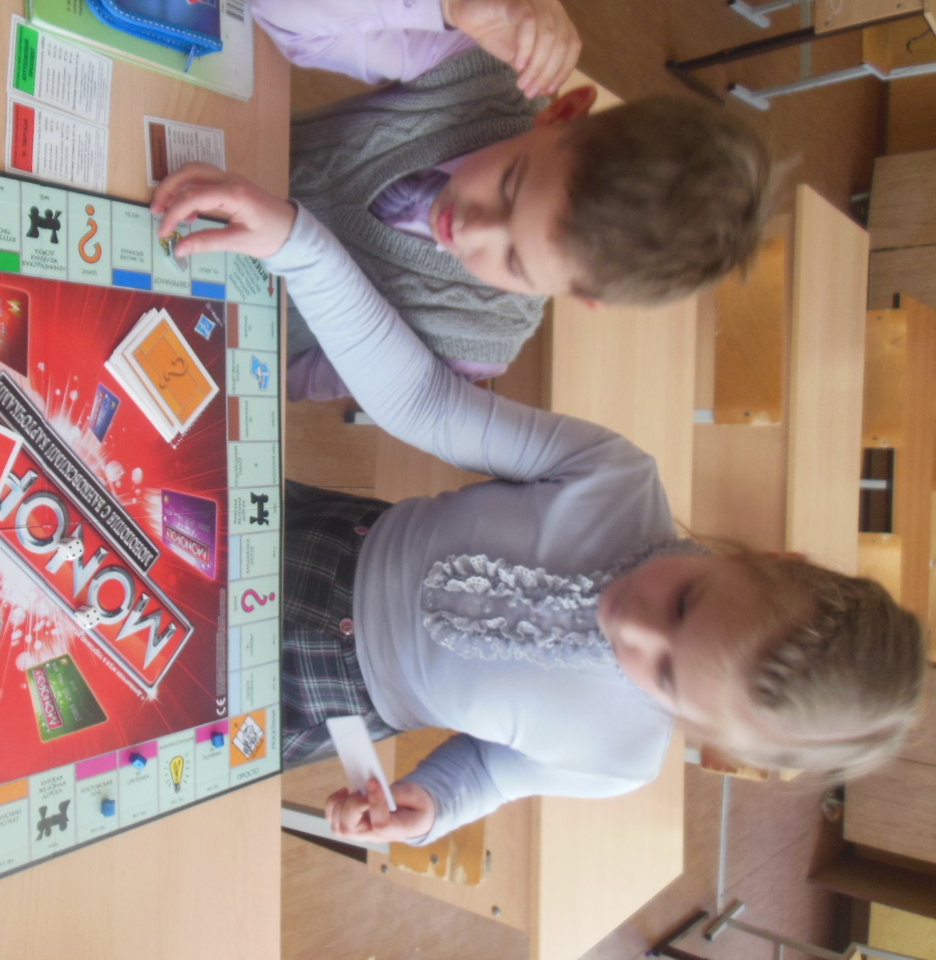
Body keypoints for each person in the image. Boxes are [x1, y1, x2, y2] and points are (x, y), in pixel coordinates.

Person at [150, 165, 928, 845]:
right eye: (686, 602)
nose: (632, 624)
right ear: (768, 558)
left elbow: (492, 771)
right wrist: (302, 247)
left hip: (312, 698)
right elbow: (423, 402)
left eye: (665, 677)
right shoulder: (616, 480)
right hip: (305, 541)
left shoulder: (620, 759)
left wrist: (429, 807)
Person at [250, 0, 772, 401]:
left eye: (516, 261)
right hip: (223, 146)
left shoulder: (475, 343)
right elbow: (278, 14)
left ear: (583, 298)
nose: (472, 229)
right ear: (561, 113)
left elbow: (286, 378)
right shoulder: (479, 76)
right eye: (509, 186)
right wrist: (448, 7)